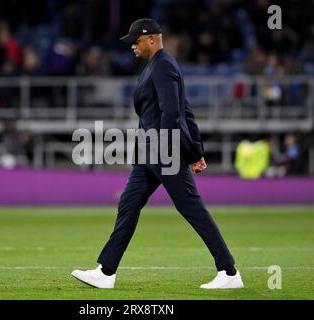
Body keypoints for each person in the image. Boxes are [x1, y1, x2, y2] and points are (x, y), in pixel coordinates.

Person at [71, 18, 243, 289]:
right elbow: (186, 111)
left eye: (136, 41)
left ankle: (230, 273)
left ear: (152, 38)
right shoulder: (155, 66)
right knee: (128, 205)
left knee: (191, 208)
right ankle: (106, 272)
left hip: (164, 151)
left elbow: (174, 113)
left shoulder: (162, 66)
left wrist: (182, 151)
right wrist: (195, 151)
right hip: (148, 155)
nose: (132, 47)